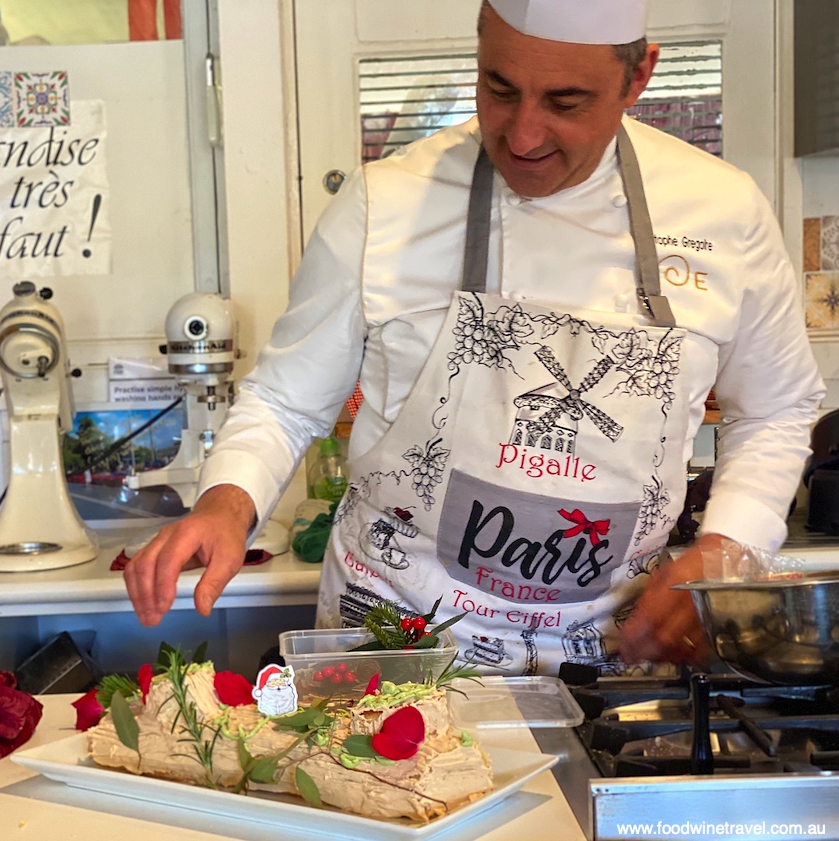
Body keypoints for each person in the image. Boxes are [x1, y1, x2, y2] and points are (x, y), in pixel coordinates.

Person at [124, 0, 824, 676]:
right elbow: (285, 399)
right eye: (499, 87)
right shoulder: (385, 205)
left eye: (566, 102)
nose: (521, 135)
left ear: (638, 77)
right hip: (393, 650)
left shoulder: (724, 215)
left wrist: (728, 546)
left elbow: (776, 407)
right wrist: (226, 501)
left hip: (614, 662)